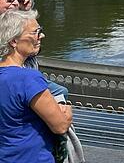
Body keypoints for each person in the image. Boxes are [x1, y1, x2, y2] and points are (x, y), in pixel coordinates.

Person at [0, 9, 73, 162]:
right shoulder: (28, 79)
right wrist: (66, 110)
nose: (41, 36)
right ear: (14, 41)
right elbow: (60, 126)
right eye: (35, 32)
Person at [0, 0, 68, 98]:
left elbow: (35, 47)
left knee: (61, 92)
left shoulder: (18, 19)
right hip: (12, 79)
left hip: (29, 74)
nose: (16, 3)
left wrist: (26, 12)